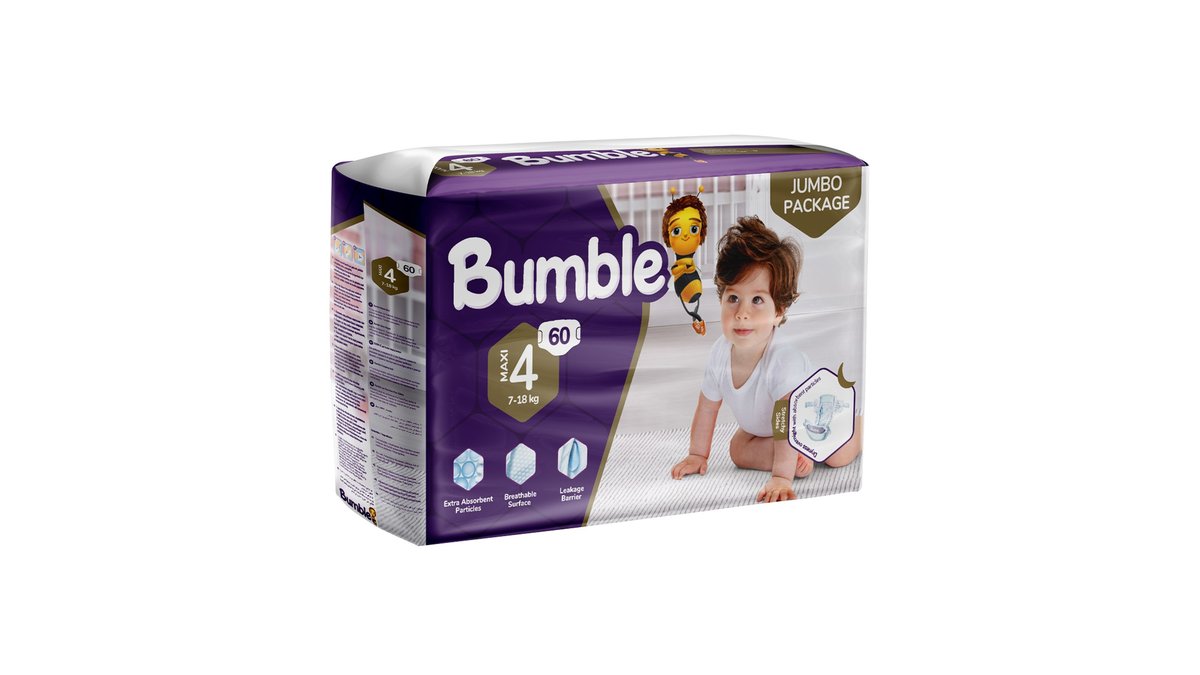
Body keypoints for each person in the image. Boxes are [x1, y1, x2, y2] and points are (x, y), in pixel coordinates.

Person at [669, 216, 863, 502]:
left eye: (757, 300)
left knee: (838, 455)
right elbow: (707, 408)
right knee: (738, 449)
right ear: (721, 299)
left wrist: (781, 477)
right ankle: (796, 452)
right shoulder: (719, 354)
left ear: (778, 311)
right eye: (733, 298)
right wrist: (697, 454)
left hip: (819, 416)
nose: (742, 313)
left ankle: (861, 426)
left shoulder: (782, 362)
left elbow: (785, 421)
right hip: (770, 432)